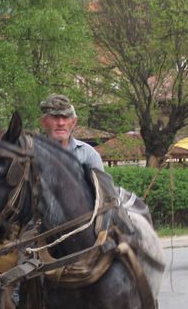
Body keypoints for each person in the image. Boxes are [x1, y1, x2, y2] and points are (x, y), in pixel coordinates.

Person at [39, 93, 152, 224]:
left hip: (84, 227)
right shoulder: (32, 155)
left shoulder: (88, 155)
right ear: (43, 122)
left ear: (74, 122)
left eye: (65, 117)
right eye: (55, 117)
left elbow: (104, 196)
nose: (61, 123)